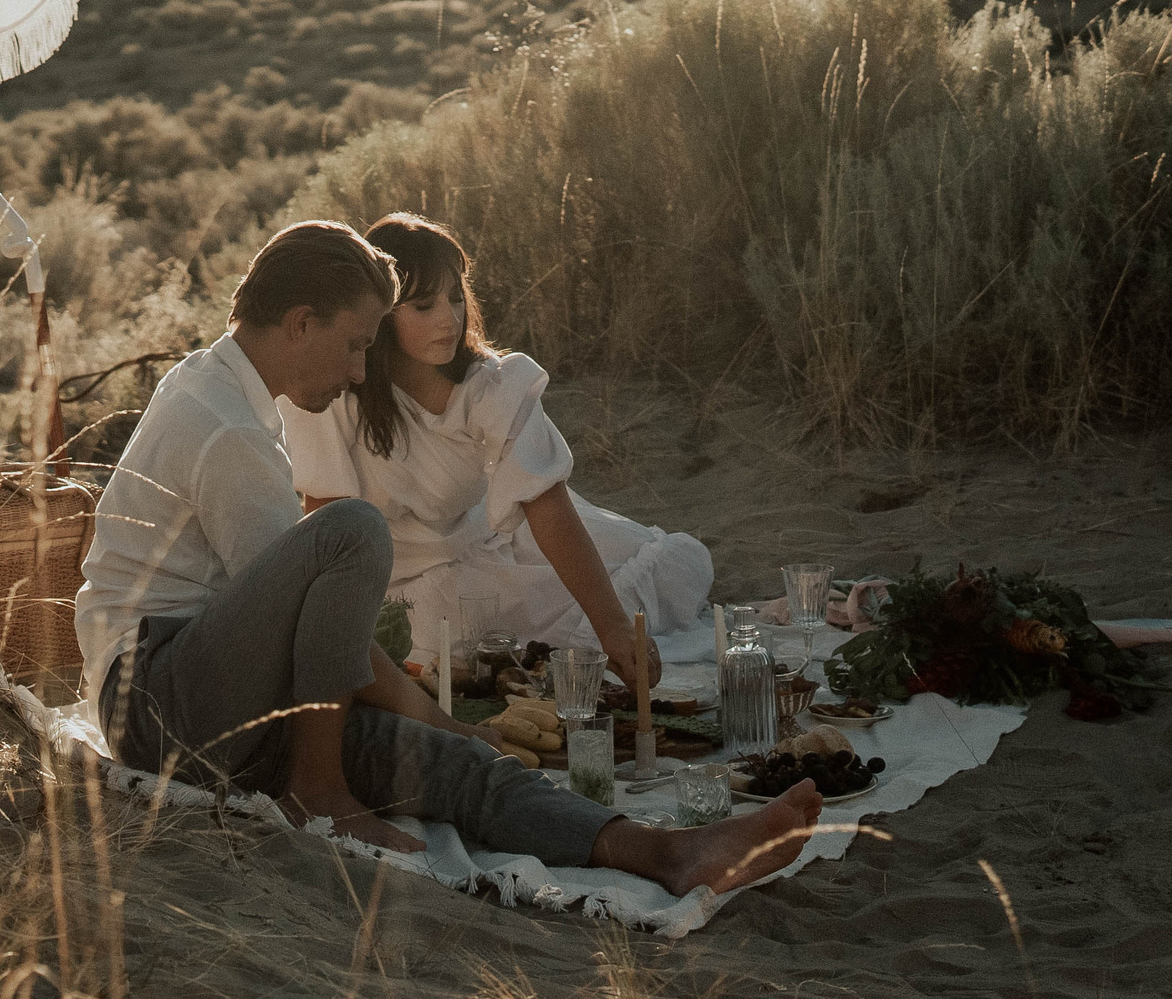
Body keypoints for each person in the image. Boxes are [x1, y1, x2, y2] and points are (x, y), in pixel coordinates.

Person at [73, 219, 818, 887]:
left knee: (456, 767)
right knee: (355, 529)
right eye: (356, 344)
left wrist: (450, 730)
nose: (361, 371)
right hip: (156, 694)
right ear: (301, 323)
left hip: (223, 702)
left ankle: (665, 853)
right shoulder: (225, 427)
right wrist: (433, 710)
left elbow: (313, 644)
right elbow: (314, 622)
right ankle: (320, 790)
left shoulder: (223, 389)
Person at [281, 213, 712, 696]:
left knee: (679, 563)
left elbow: (545, 504)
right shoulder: (336, 389)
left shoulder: (491, 385)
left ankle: (584, 636)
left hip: (492, 538)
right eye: (424, 305)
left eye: (455, 296)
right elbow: (322, 519)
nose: (448, 317)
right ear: (378, 316)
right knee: (462, 628)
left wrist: (611, 625)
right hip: (403, 584)